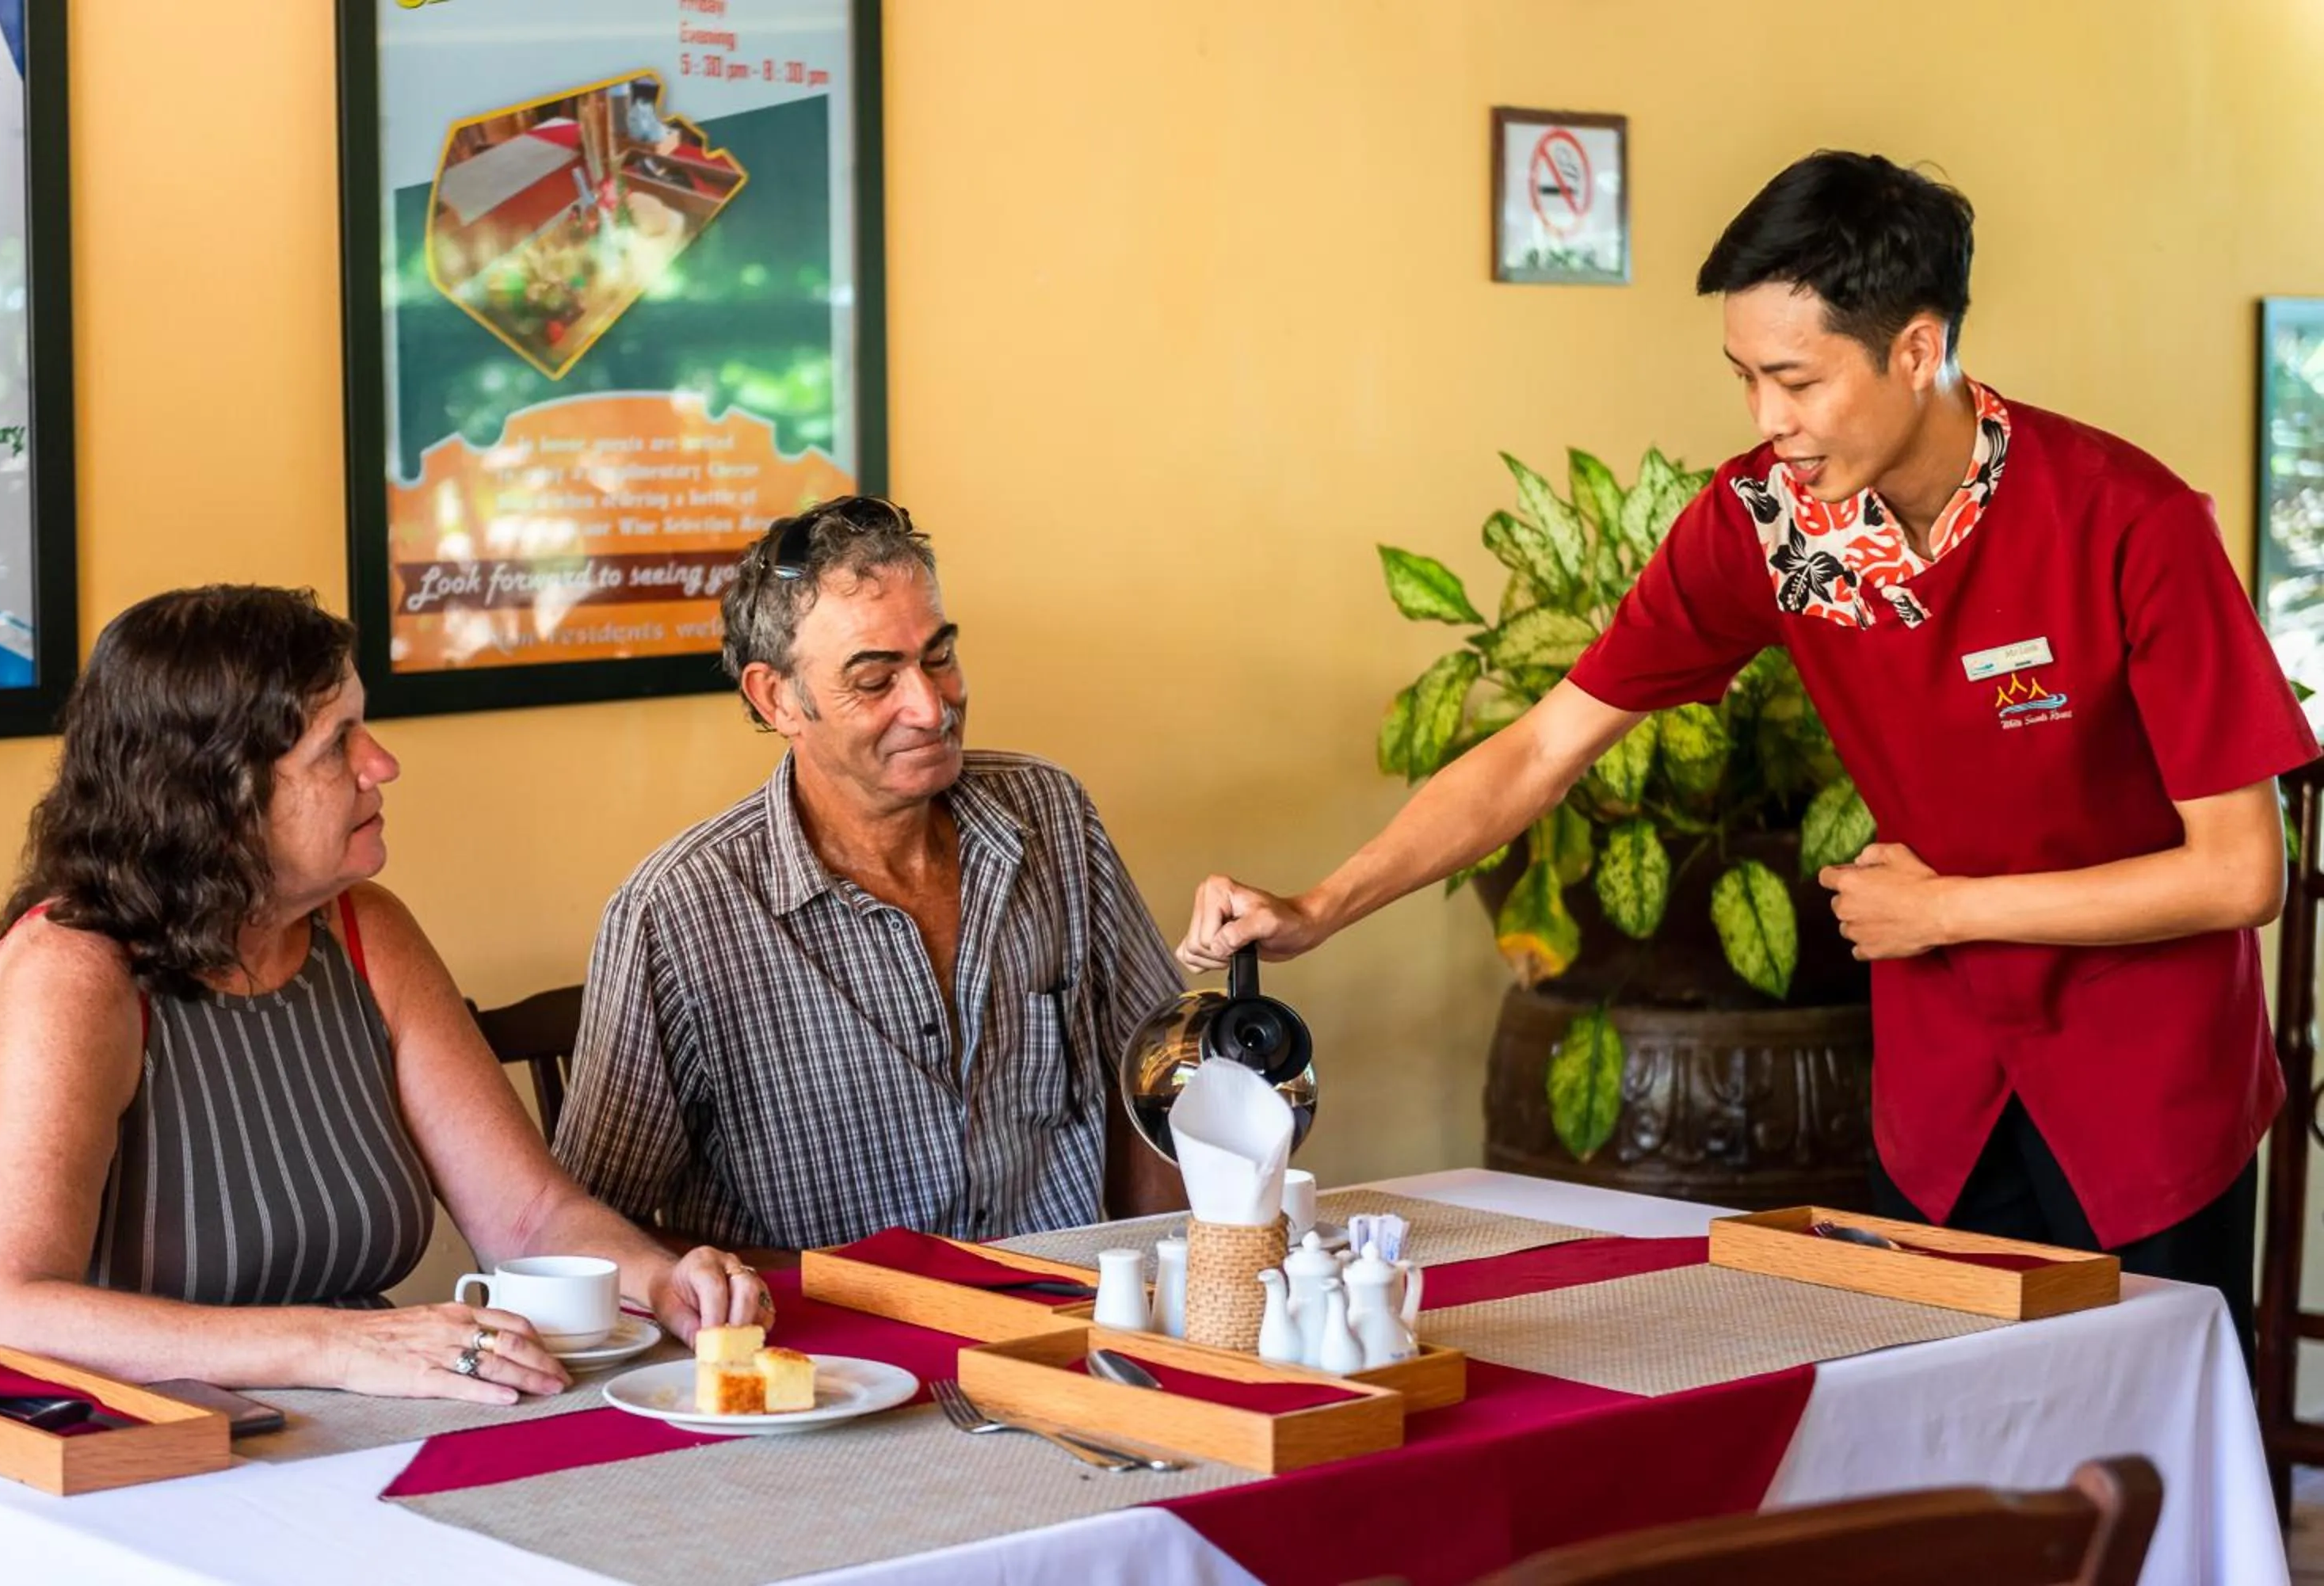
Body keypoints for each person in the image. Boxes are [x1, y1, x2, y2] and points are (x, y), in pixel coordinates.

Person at [1181, 151, 2315, 1358]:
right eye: (1746, 378)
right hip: (1950, 1085)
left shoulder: (2129, 522)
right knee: (1957, 1459)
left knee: (2156, 1477)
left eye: (1795, 380)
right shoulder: (1766, 525)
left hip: (2144, 1088)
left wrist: (1949, 911)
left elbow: (2240, 872)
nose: (1766, 421)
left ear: (1918, 351)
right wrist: (1318, 905)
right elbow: (1542, 746)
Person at [0, 586, 770, 1401]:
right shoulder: (72, 969)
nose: (382, 764)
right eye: (337, 745)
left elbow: (529, 1219)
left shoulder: (366, 930)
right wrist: (341, 1344)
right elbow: (3, 1312)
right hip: (127, 1453)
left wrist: (659, 1279)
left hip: (342, 1424)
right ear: (219, 794)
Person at [554, 495, 1186, 1251]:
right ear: (777, 696)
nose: (930, 706)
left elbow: (1158, 1077)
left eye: (939, 656)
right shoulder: (679, 913)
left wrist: (1164, 1282)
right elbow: (591, 1228)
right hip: (826, 1352)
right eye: (876, 678)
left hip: (1062, 1319)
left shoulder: (1050, 814)